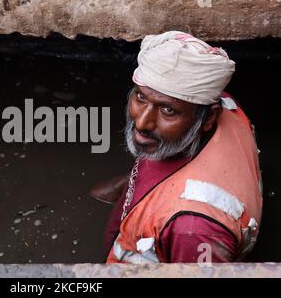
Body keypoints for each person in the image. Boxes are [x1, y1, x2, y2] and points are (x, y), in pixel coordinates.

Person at [90, 31, 263, 263]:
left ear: (208, 118)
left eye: (168, 110)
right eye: (140, 97)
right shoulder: (226, 105)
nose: (142, 122)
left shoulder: (192, 231)